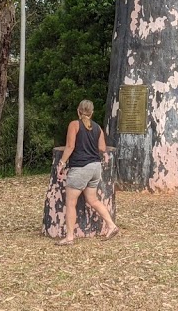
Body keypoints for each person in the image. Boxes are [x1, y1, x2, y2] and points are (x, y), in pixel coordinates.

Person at [56, 99, 120, 246]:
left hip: (80, 168)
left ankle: (70, 237)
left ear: (78, 111)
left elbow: (70, 146)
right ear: (92, 113)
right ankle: (111, 225)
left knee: (71, 203)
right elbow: (103, 148)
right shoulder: (97, 128)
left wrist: (61, 163)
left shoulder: (74, 125)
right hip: (95, 167)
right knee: (93, 200)